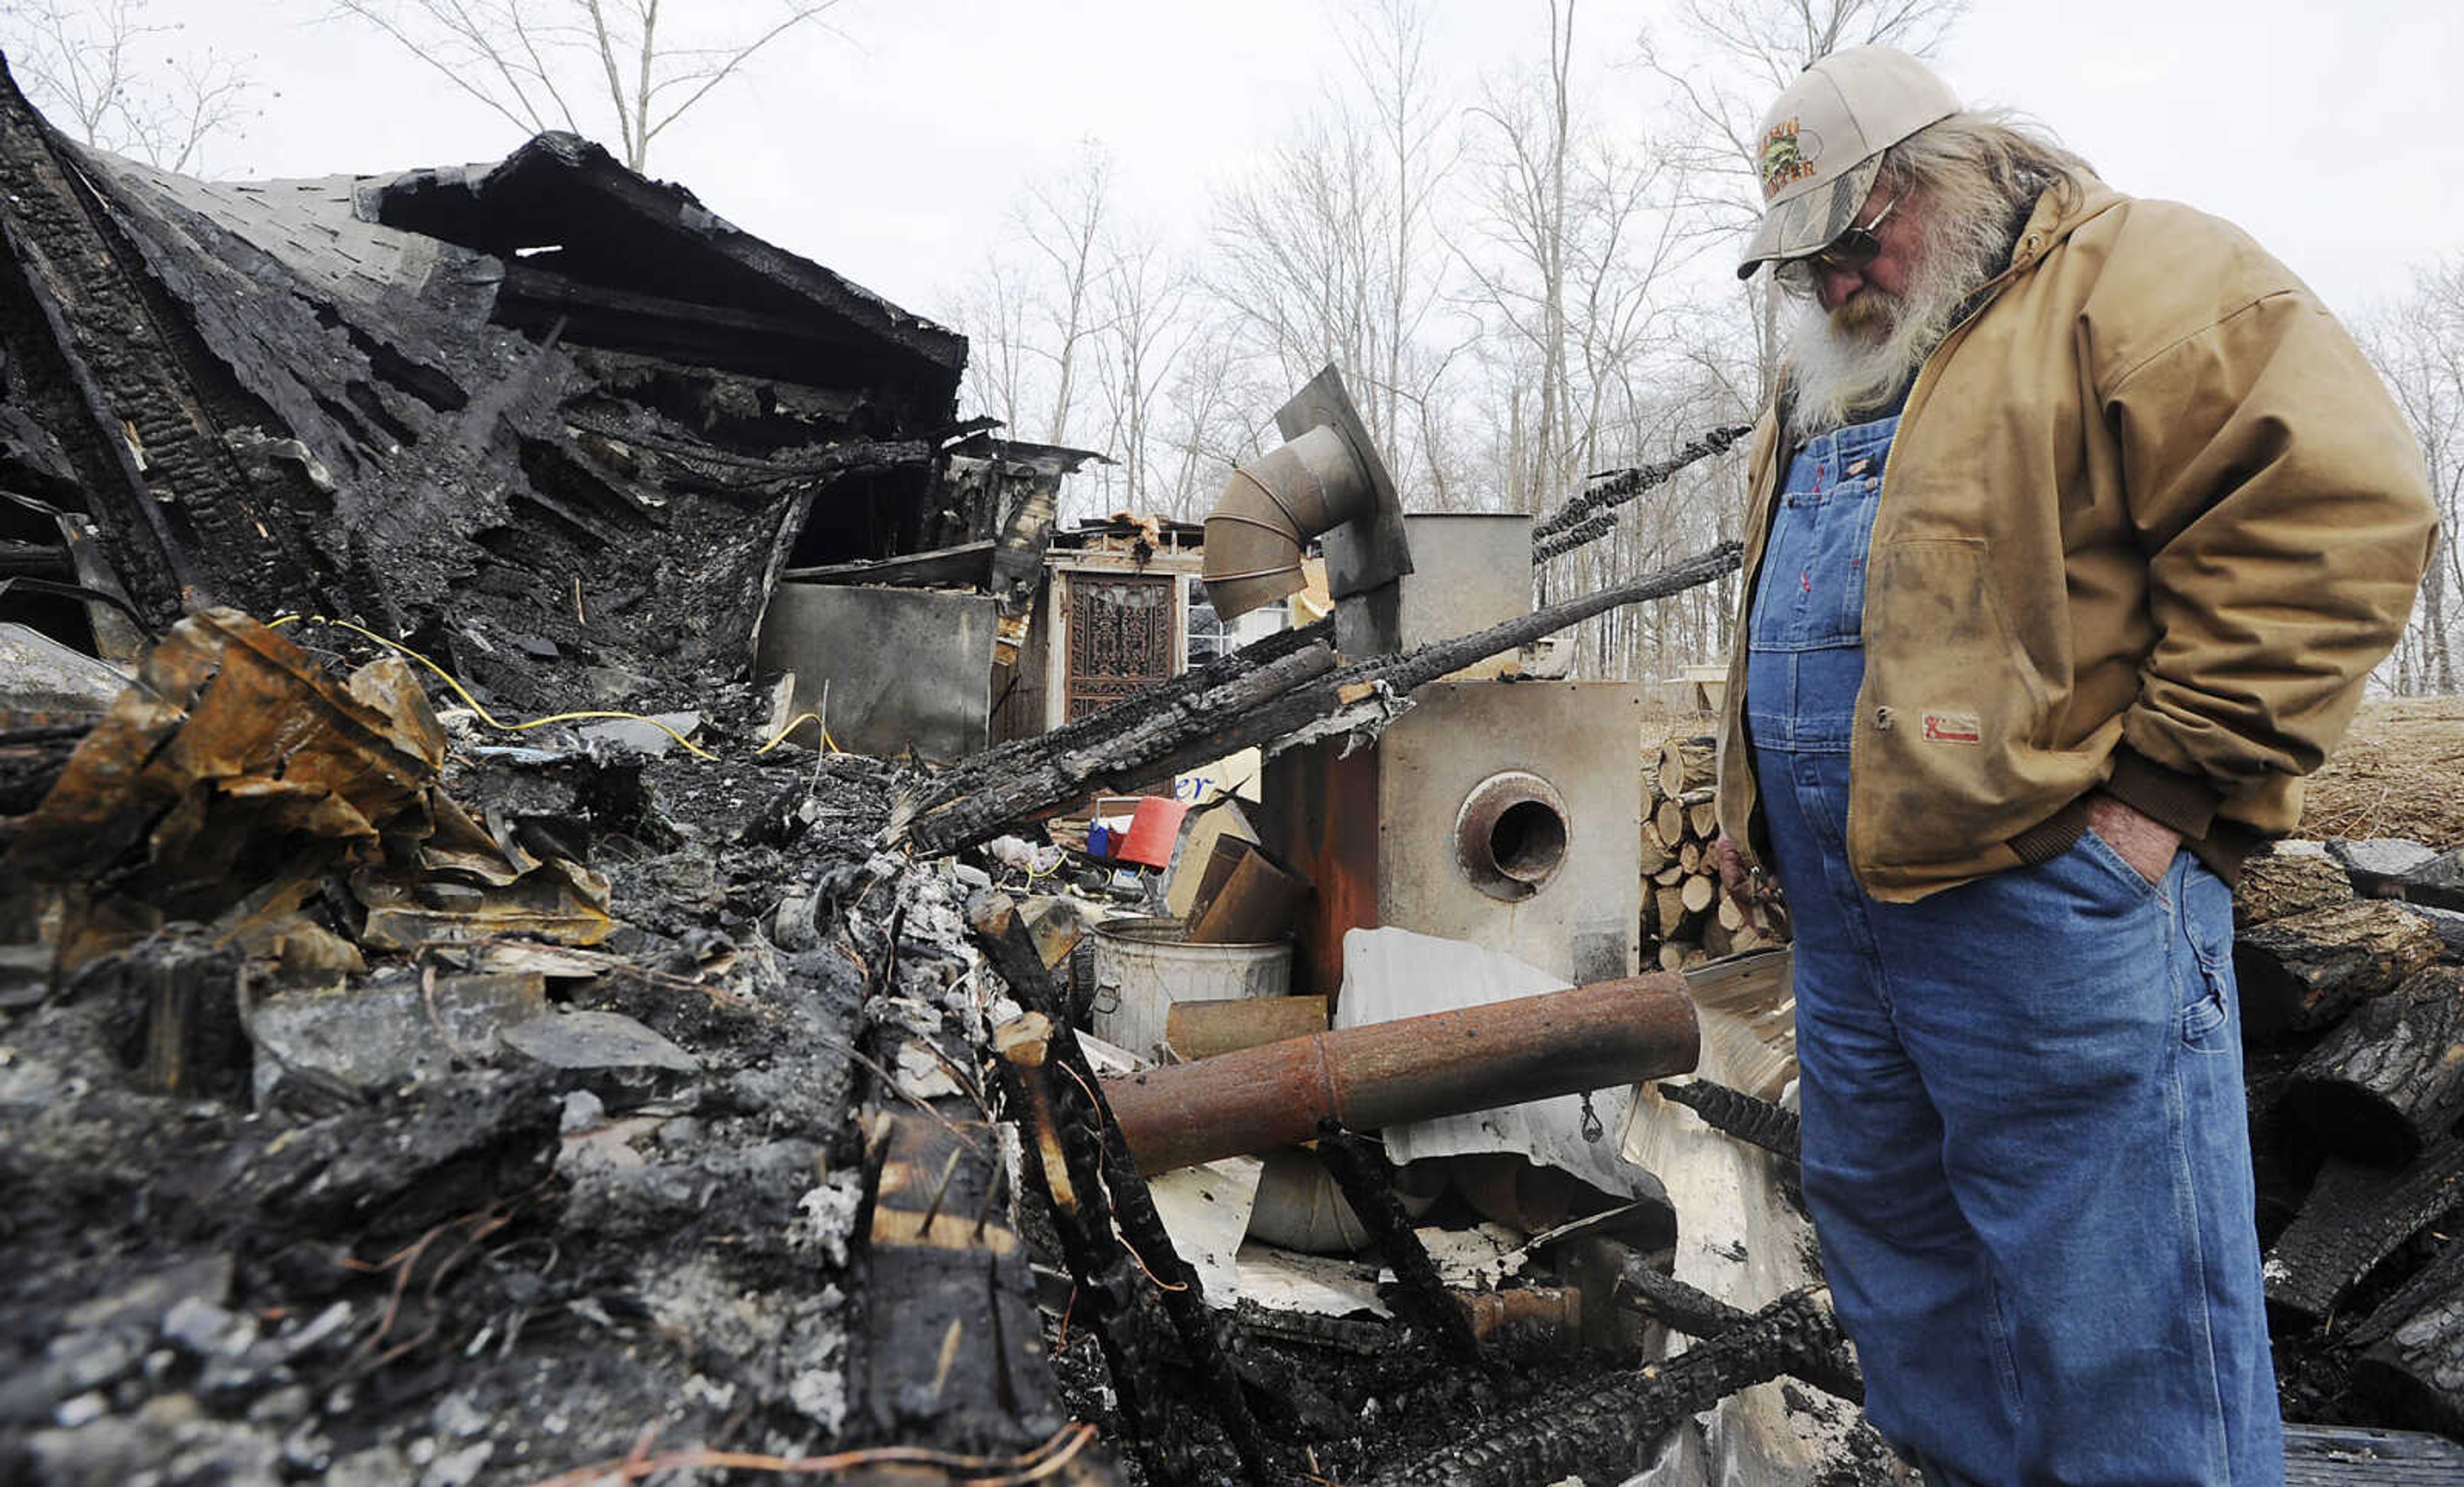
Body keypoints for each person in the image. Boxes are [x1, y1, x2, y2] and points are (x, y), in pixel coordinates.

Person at [1711, 45, 2436, 1487]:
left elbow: (2342, 513)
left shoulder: (2142, 282)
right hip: (1859, 933)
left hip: (2052, 902)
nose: (1840, 282)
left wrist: (2164, 800)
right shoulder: (1843, 363)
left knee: (2124, 1310)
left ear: (1951, 174)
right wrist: (1748, 812)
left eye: (1863, 239)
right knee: (1907, 1271)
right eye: (1808, 266)